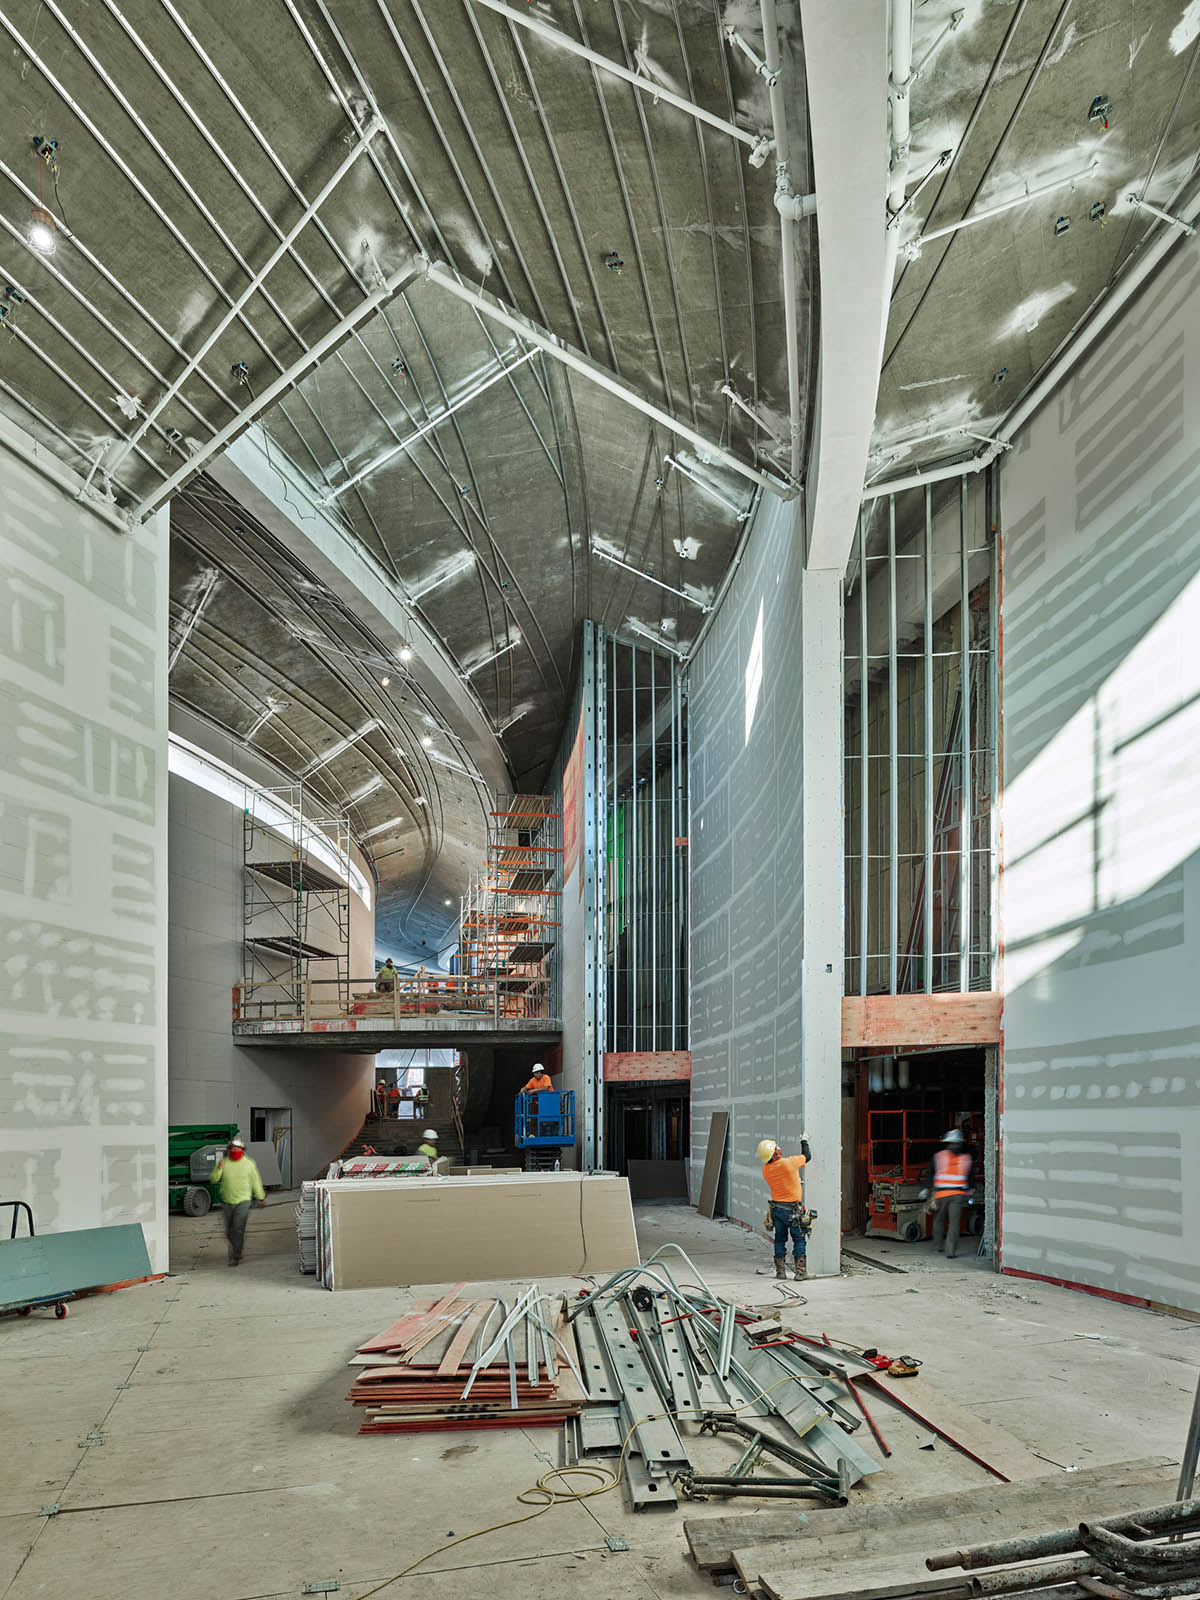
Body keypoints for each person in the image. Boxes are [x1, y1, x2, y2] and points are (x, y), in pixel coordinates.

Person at [757, 1134, 813, 1280]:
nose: (779, 1148)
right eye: (776, 1148)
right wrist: (804, 1140)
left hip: (776, 1209)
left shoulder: (765, 1169)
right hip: (792, 1209)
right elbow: (807, 1156)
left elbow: (783, 1179)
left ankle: (780, 1272)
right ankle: (801, 1273)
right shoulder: (789, 1163)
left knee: (780, 1239)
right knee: (799, 1239)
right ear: (775, 1154)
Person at [212, 1134, 266, 1267]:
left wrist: (260, 1197)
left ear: (242, 1150)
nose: (235, 1151)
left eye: (237, 1149)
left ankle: (235, 1256)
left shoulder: (249, 1163)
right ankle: (237, 1248)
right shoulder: (224, 1163)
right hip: (226, 1201)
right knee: (229, 1231)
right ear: (229, 1150)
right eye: (232, 1149)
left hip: (243, 1201)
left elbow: (255, 1181)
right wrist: (219, 1168)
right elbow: (213, 1179)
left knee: (238, 1229)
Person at [922, 1128, 973, 1259]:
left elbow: (930, 1174)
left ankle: (937, 1246)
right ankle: (950, 1251)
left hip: (941, 1195)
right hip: (957, 1196)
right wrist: (969, 1193)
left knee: (939, 1221)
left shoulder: (939, 1156)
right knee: (954, 1224)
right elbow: (970, 1179)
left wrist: (927, 1190)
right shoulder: (966, 1158)